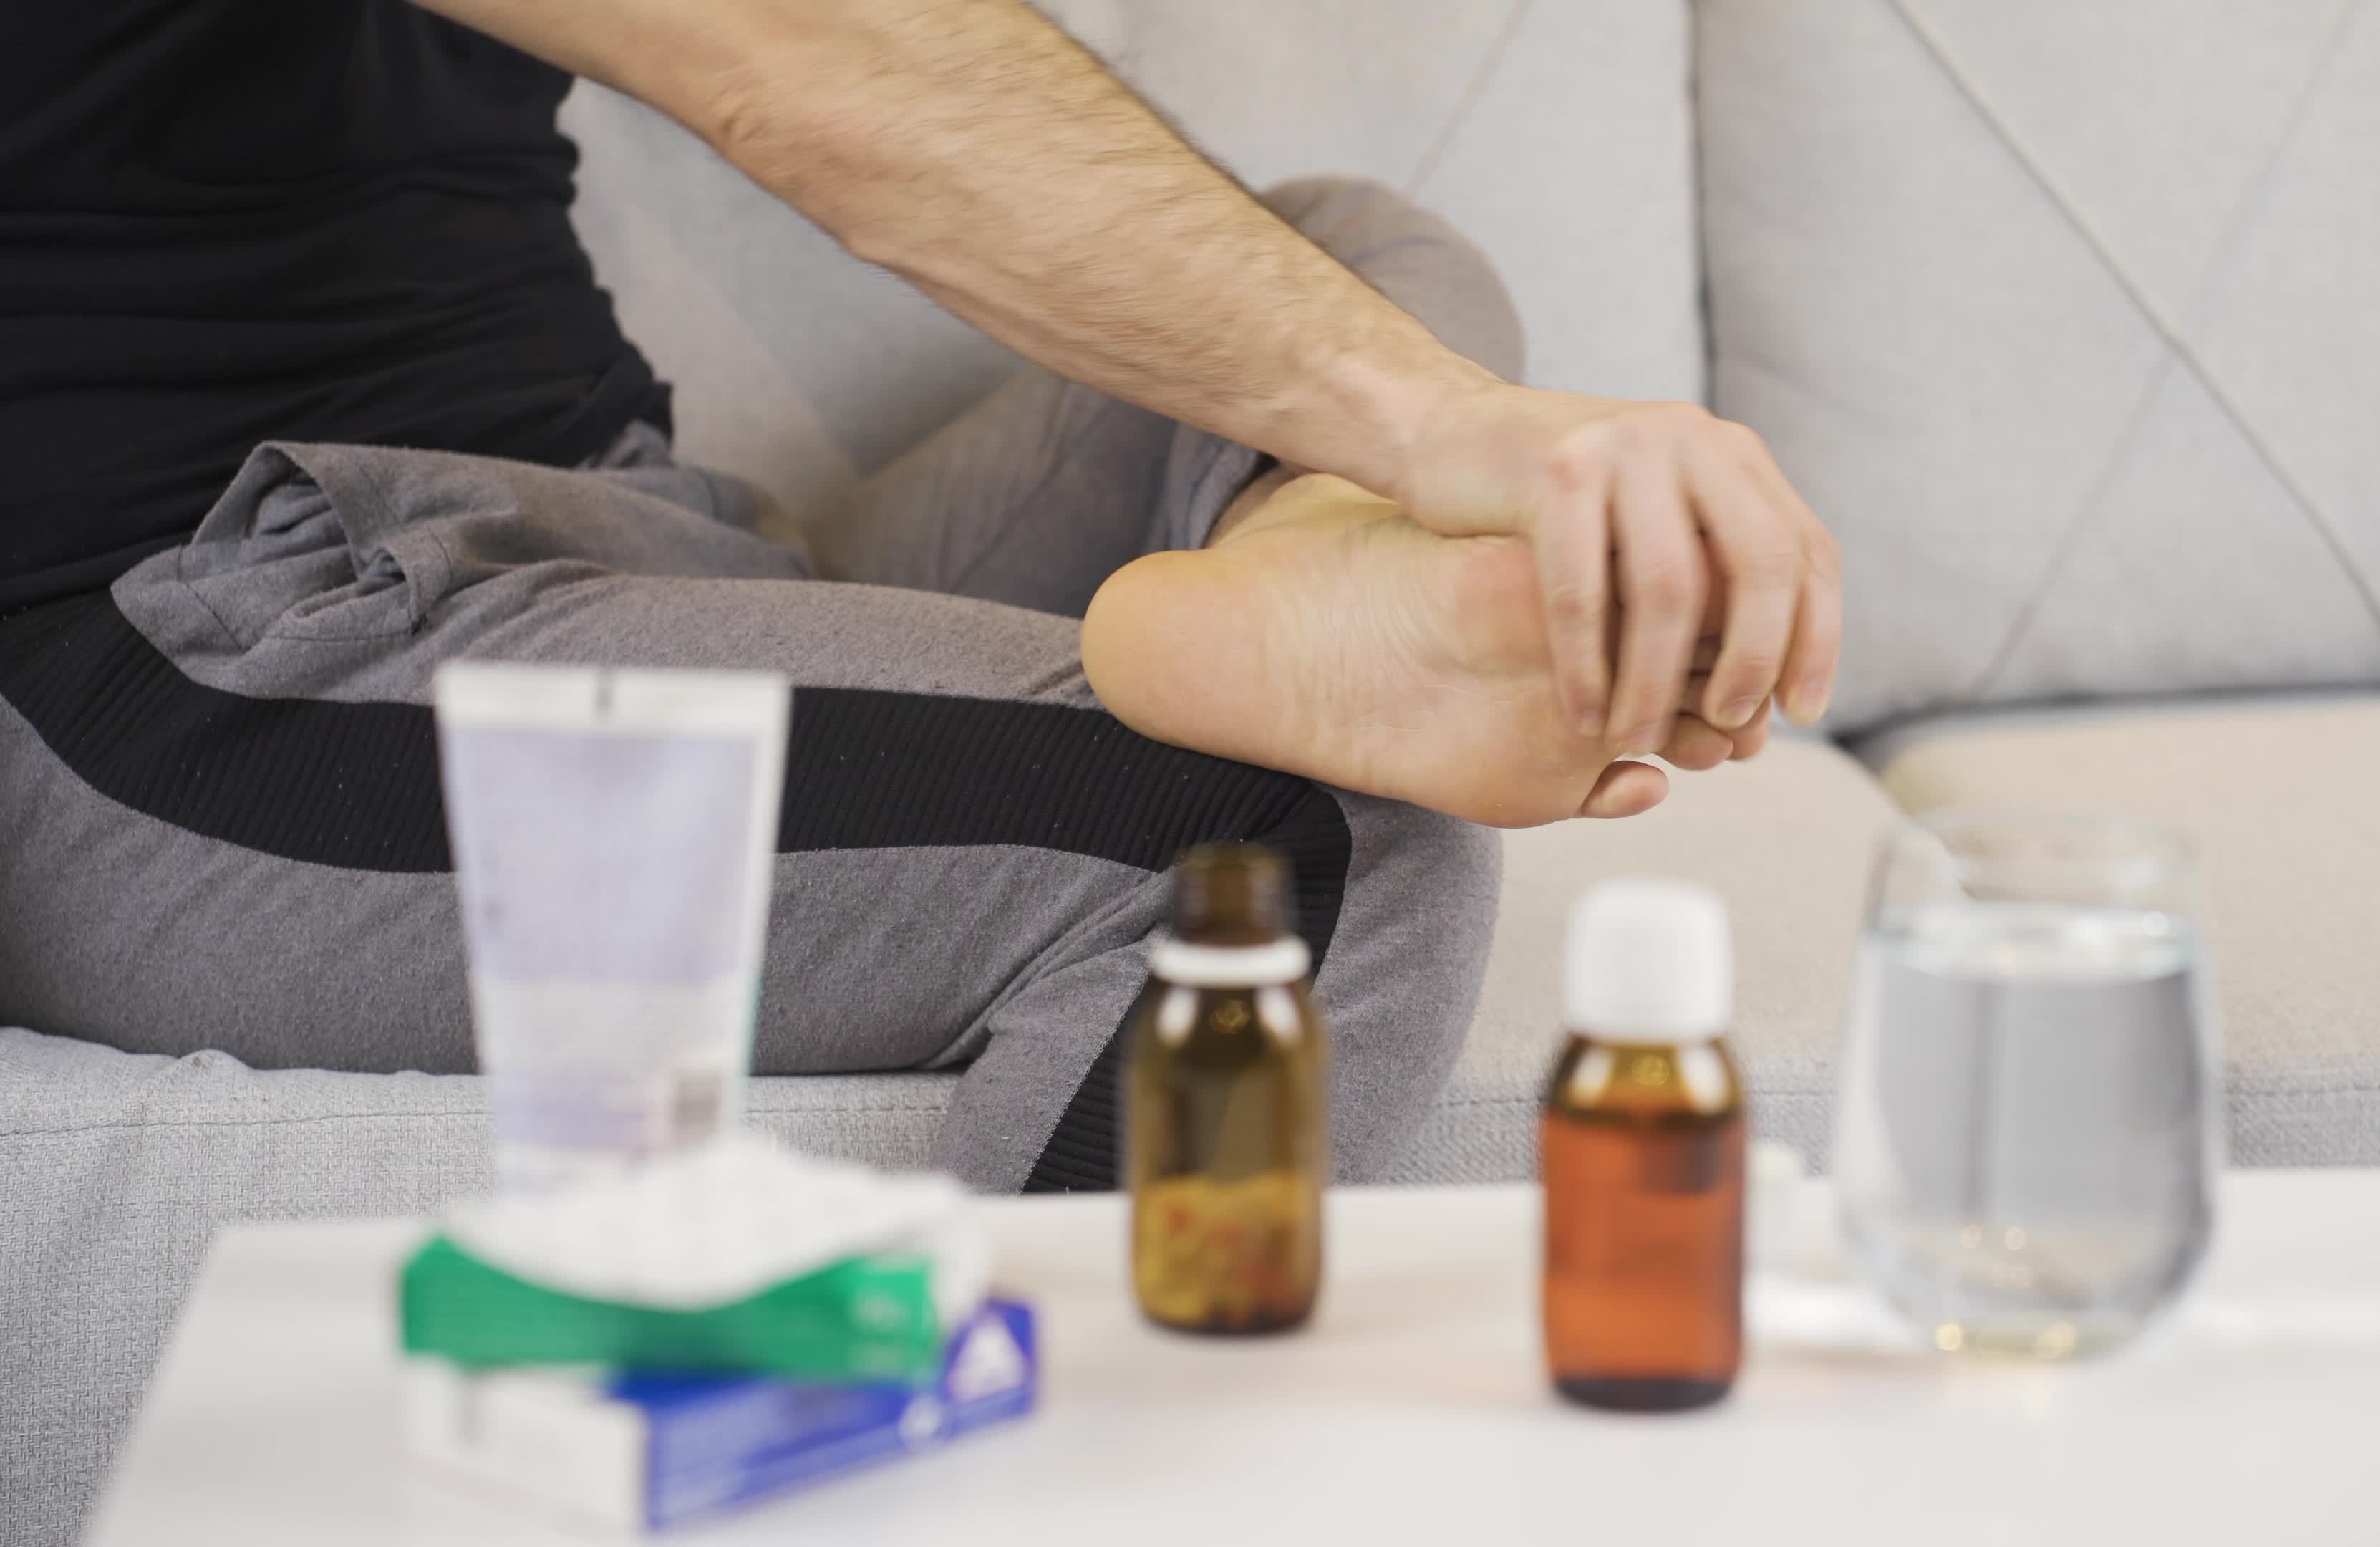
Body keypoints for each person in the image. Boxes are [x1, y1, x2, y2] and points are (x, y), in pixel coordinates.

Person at [0, 0, 1840, 1192]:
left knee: (1343, 245)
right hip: (214, 648)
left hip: (633, 530)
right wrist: (1430, 425)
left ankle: (1294, 558)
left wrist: (1360, 436)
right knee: (1283, 868)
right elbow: (809, 61)